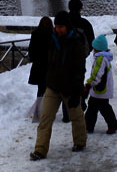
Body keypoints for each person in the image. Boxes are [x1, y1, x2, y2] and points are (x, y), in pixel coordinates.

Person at [30, 11, 87, 161]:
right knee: (45, 118)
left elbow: (80, 69)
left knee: (76, 116)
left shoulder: (76, 43)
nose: (58, 29)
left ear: (67, 27)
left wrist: (77, 92)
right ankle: (40, 149)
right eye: (57, 27)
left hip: (69, 87)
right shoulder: (52, 40)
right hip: (53, 85)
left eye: (61, 27)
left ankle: (80, 142)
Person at [84, 35, 117, 134]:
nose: (93, 50)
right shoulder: (104, 57)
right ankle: (88, 125)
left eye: (94, 48)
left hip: (100, 89)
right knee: (93, 107)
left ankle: (112, 125)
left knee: (103, 108)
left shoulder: (100, 59)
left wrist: (89, 83)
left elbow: (97, 75)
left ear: (97, 49)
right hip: (100, 89)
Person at [28, 17, 53, 122]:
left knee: (40, 90)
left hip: (38, 66)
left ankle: (38, 112)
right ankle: (47, 111)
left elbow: (31, 51)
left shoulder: (35, 34)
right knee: (50, 90)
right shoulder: (52, 35)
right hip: (49, 66)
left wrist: (35, 60)